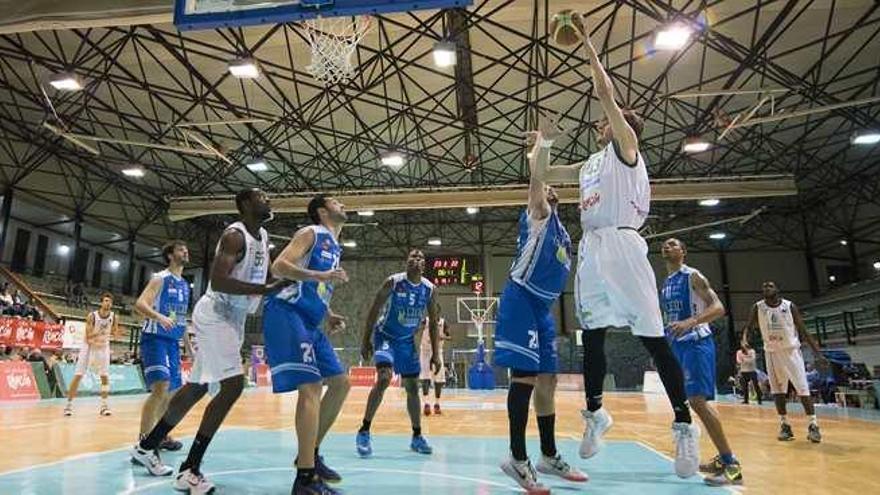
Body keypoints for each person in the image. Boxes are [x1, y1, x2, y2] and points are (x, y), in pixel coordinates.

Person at [535, 13, 700, 477]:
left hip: (625, 248)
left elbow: (607, 96)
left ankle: (684, 427)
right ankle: (595, 415)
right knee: (594, 340)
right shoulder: (590, 165)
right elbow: (545, 174)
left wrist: (587, 43)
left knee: (652, 338)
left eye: (606, 122)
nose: (599, 126)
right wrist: (543, 144)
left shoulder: (627, 150)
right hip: (592, 251)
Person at [131, 189, 276, 494]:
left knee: (196, 387)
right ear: (246, 205)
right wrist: (265, 290)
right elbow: (220, 280)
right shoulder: (234, 236)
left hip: (233, 318)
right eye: (262, 196)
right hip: (215, 314)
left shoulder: (262, 235)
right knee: (233, 385)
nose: (269, 199)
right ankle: (190, 469)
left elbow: (260, 278)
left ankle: (147, 446)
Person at [494, 128, 587, 494]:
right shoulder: (539, 215)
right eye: (544, 185)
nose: (549, 188)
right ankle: (518, 460)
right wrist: (541, 147)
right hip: (521, 298)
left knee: (548, 379)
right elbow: (537, 179)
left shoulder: (563, 231)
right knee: (526, 379)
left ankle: (548, 455)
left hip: (542, 308)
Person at [263, 194, 350, 495]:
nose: (343, 204)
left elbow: (318, 286)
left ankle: (309, 454)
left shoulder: (335, 247)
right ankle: (305, 479)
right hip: (287, 313)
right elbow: (279, 266)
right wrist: (319, 274)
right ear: (323, 211)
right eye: (337, 202)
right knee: (312, 388)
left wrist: (328, 313)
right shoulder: (310, 233)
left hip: (312, 321)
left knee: (340, 383)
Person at [660, 238, 742, 486]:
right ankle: (722, 458)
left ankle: (732, 466)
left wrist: (690, 322)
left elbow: (718, 308)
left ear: (683, 252)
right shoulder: (666, 283)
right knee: (697, 403)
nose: (667, 246)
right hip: (678, 348)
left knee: (697, 402)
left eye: (673, 244)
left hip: (696, 343)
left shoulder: (692, 275)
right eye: (664, 244)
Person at [356, 249, 440, 457]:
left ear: (424, 265)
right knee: (384, 378)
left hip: (406, 342)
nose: (416, 260)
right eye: (413, 256)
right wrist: (366, 339)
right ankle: (364, 430)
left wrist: (436, 354)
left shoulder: (429, 289)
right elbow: (374, 310)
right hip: (385, 337)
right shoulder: (393, 282)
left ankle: (417, 436)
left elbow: (433, 324)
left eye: (420, 258)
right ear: (406, 262)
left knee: (412, 386)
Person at [741, 281, 828, 443]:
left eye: (770, 285)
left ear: (777, 290)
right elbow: (748, 327)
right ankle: (785, 425)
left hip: (791, 351)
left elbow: (803, 330)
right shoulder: (758, 307)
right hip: (772, 352)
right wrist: (744, 339)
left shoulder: (789, 306)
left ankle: (813, 425)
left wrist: (818, 354)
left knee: (802, 388)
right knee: (777, 390)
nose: (766, 287)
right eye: (764, 286)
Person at [133, 240, 192, 453]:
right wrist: (159, 317)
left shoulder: (185, 285)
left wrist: (190, 349)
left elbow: (181, 320)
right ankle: (144, 440)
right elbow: (140, 304)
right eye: (180, 249)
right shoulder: (160, 278)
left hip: (173, 343)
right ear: (169, 255)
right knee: (160, 389)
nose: (185, 251)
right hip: (155, 338)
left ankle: (161, 436)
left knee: (171, 394)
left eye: (185, 249)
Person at [63, 292, 120, 416]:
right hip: (89, 347)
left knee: (104, 376)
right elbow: (88, 336)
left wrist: (114, 334)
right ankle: (68, 405)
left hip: (103, 347)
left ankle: (104, 406)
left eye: (110, 302)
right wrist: (100, 332)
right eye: (105, 301)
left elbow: (115, 333)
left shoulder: (114, 317)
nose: (108, 303)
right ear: (101, 302)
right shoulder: (92, 316)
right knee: (78, 375)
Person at [419, 317, 450, 416]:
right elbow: (417, 329)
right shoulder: (425, 321)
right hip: (425, 351)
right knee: (425, 377)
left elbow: (450, 336)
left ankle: (437, 404)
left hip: (437, 351)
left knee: (439, 380)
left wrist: (442, 337)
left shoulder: (443, 322)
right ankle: (426, 404)